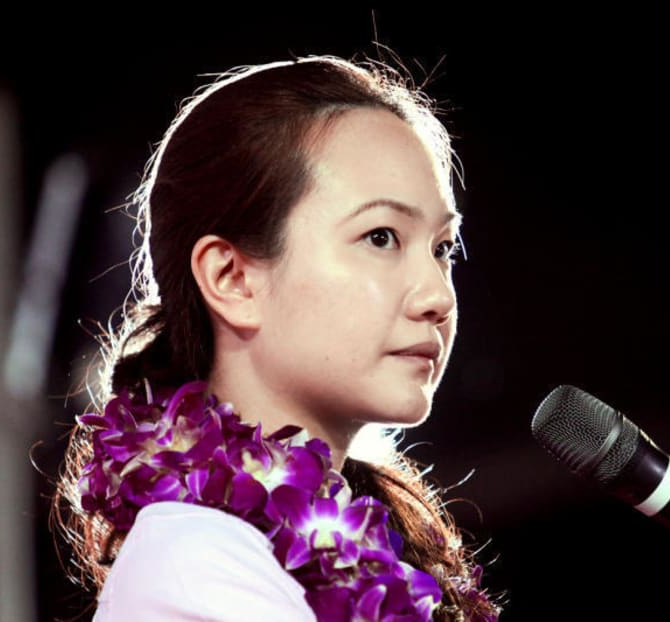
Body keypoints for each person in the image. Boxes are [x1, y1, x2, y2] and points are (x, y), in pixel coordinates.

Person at [52, 53, 501, 621]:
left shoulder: (372, 544)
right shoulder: (193, 564)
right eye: (381, 236)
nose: (437, 296)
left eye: (442, 248)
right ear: (232, 278)